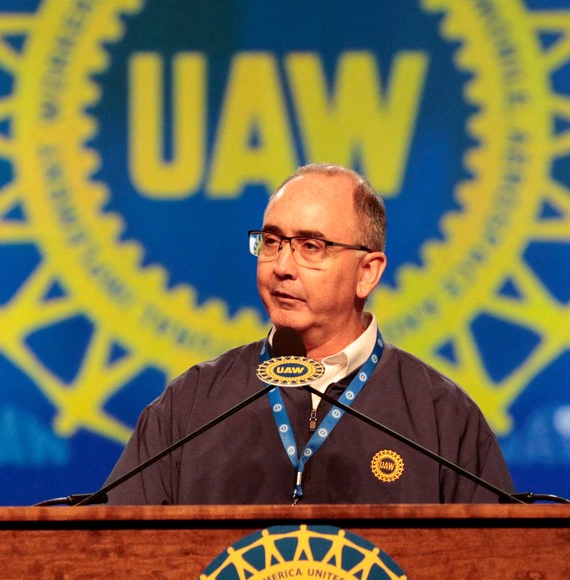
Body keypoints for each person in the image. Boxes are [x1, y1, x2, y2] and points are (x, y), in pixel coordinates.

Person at [104, 163, 514, 504]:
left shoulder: (441, 415)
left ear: (367, 272)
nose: (282, 265)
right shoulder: (191, 405)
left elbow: (502, 560)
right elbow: (109, 553)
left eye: (311, 246)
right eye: (271, 241)